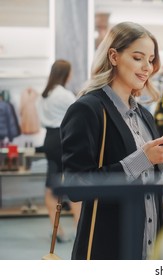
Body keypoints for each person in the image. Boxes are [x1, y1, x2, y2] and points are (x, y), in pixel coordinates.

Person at [60, 21, 163, 260]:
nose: (147, 67)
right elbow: (75, 186)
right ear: (114, 56)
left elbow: (159, 188)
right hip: (108, 247)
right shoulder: (88, 109)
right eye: (138, 58)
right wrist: (143, 159)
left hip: (149, 248)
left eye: (150, 60)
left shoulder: (145, 116)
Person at [38, 59, 81, 243]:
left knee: (52, 186)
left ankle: (58, 231)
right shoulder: (64, 94)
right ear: (66, 74)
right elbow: (80, 113)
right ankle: (80, 228)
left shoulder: (44, 95)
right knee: (73, 184)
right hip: (64, 139)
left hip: (49, 139)